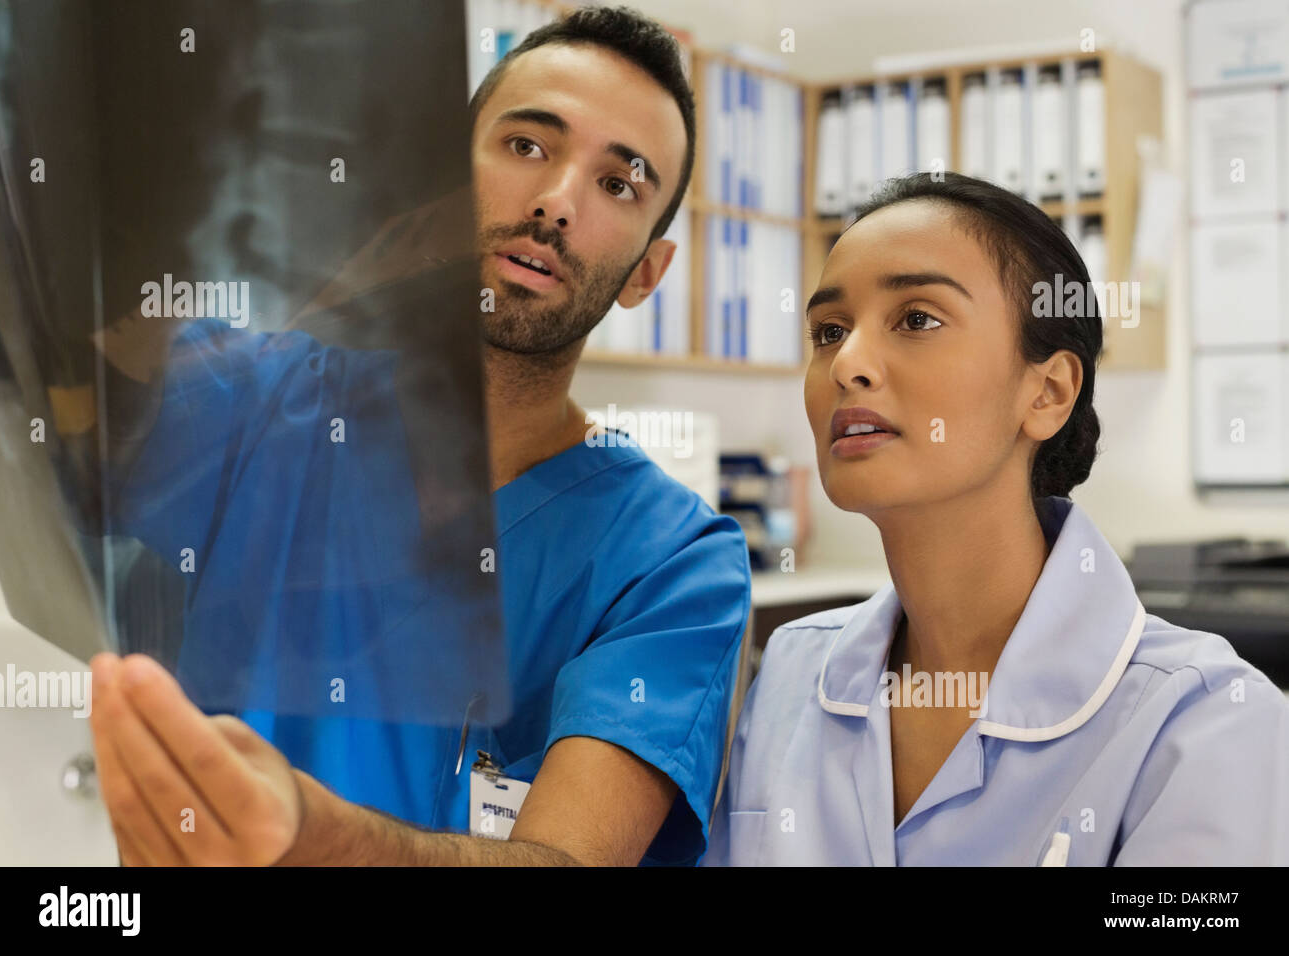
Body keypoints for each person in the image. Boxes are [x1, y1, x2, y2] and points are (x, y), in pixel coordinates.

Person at [83, 6, 750, 866]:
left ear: (646, 275)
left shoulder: (673, 563)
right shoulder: (255, 401)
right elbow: (60, 371)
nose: (555, 202)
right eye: (526, 146)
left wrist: (311, 839)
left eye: (619, 184)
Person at [703, 172, 1289, 866]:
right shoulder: (793, 672)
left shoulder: (1206, 723)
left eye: (917, 318)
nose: (848, 364)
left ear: (1047, 392)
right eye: (829, 331)